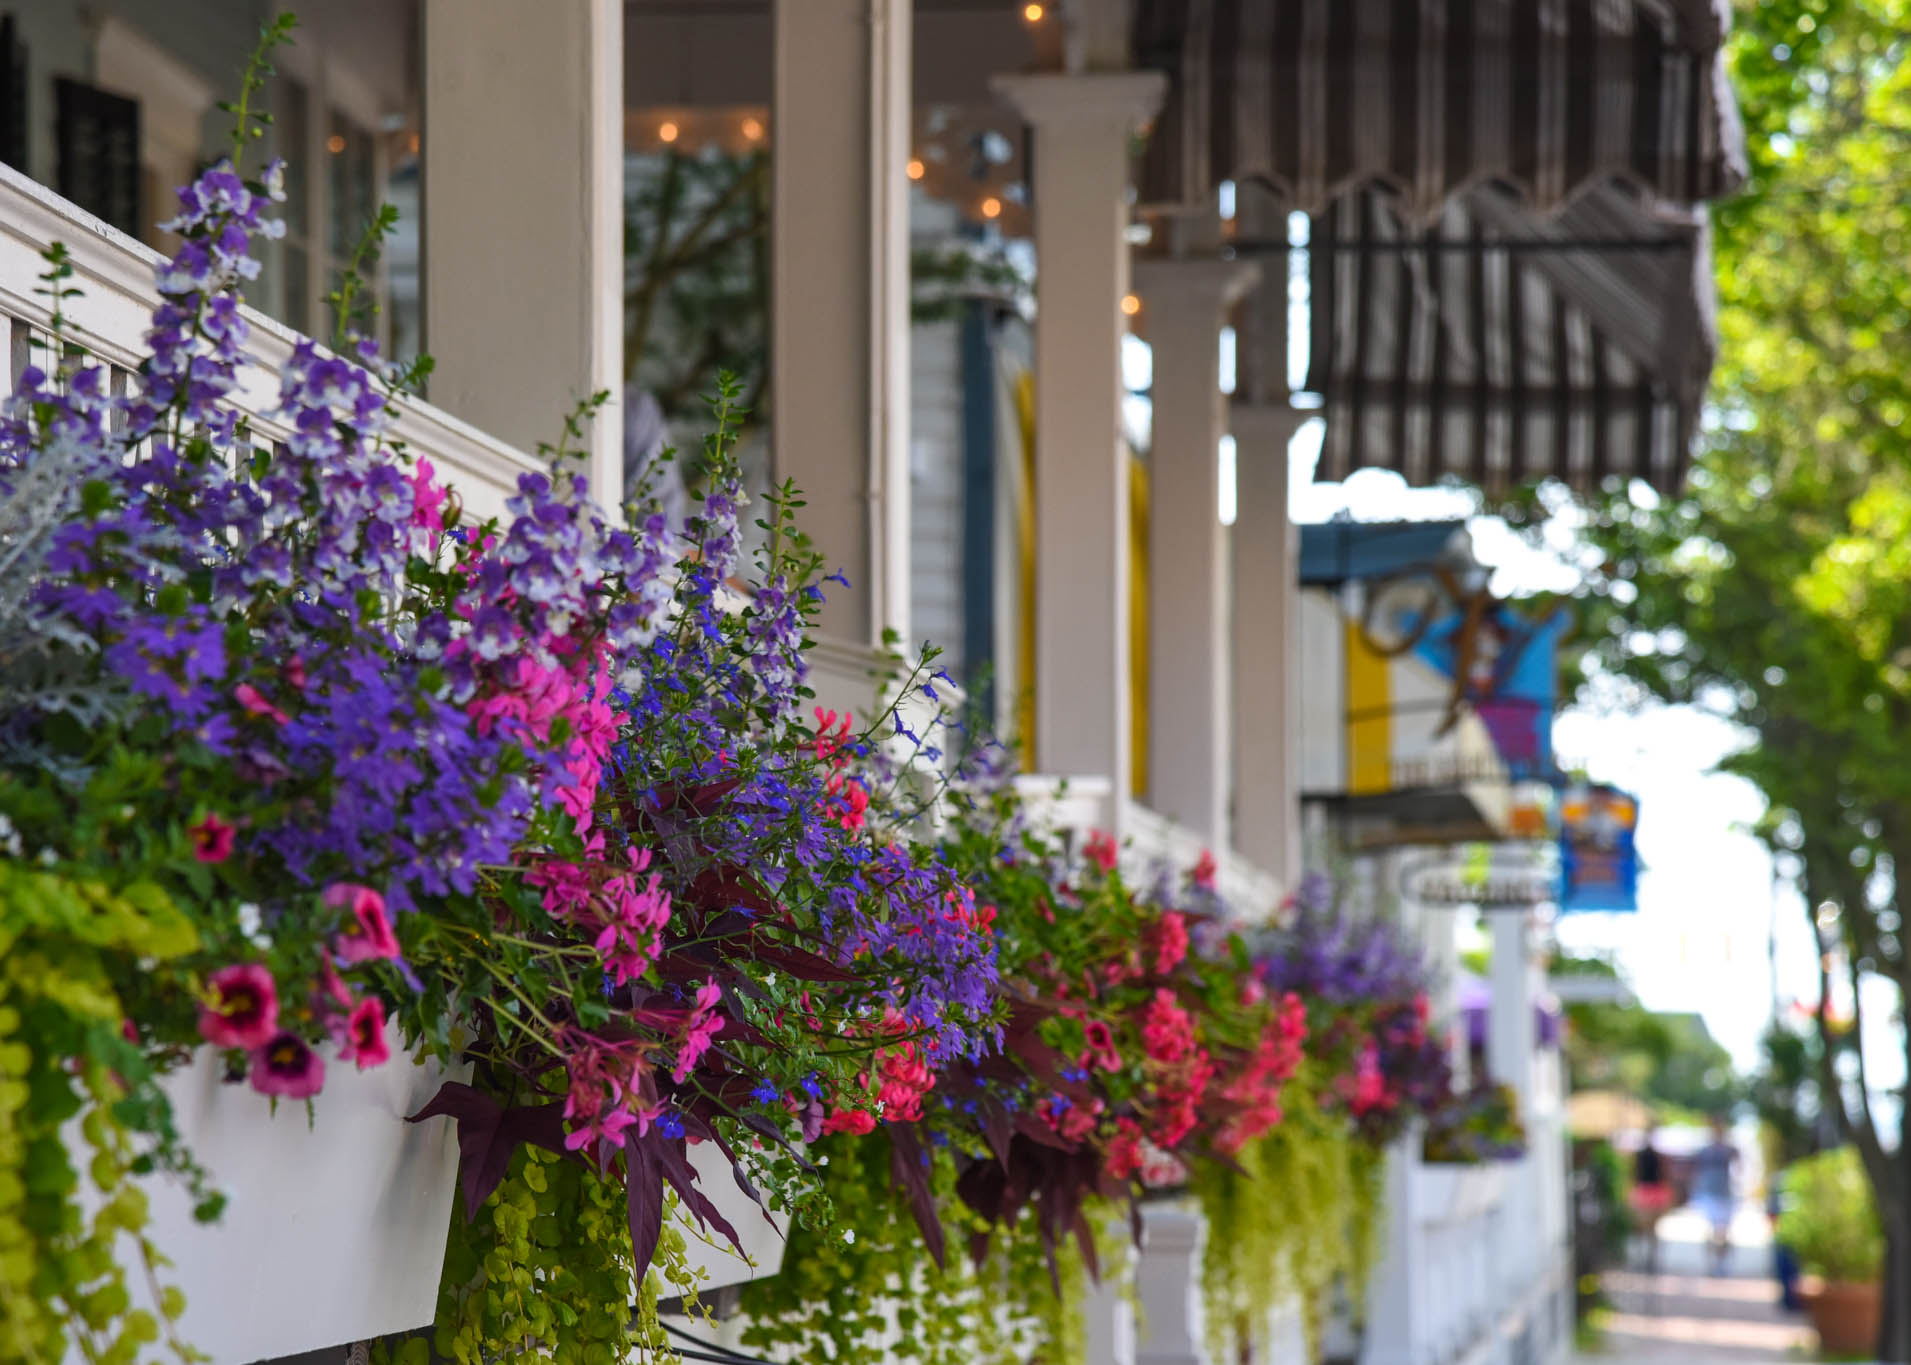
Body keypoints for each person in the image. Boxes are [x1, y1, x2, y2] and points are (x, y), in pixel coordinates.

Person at [1689, 1115, 1741, 1275]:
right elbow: (1696, 1172)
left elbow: (1739, 1168)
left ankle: (1721, 1263)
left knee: (1723, 1233)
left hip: (1724, 1194)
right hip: (1709, 1194)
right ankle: (1712, 1264)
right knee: (1712, 1233)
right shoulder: (1704, 1151)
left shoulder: (1730, 1149)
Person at [1628, 1127, 1675, 1272]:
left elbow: (1663, 1175)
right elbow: (1634, 1173)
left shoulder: (1655, 1156)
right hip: (1645, 1191)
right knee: (1643, 1227)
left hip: (1652, 1192)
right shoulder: (1640, 1155)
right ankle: (1644, 1257)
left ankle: (1650, 1257)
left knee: (1650, 1227)